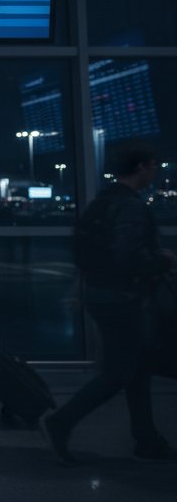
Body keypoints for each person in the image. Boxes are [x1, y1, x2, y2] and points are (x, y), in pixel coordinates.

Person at [40, 142, 176, 465]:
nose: (156, 172)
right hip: (124, 298)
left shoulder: (102, 202)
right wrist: (163, 260)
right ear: (141, 167)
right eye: (154, 166)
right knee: (119, 372)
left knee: (137, 367)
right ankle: (60, 422)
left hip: (101, 293)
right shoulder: (130, 206)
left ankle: (146, 438)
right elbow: (128, 256)